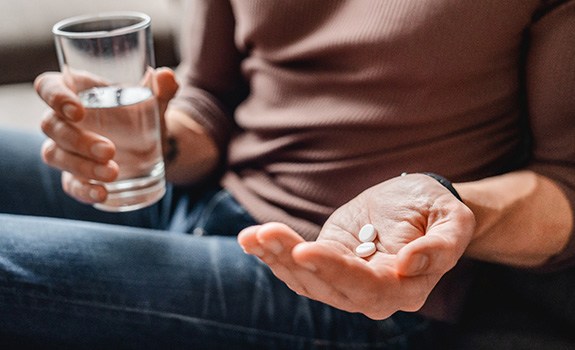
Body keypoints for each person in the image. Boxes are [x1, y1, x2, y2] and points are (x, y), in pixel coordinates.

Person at [0, 0, 574, 348]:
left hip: (354, 286)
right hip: (205, 195)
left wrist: (447, 203)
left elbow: (565, 184)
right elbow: (210, 99)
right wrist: (152, 139)